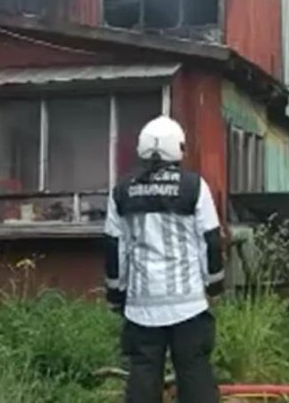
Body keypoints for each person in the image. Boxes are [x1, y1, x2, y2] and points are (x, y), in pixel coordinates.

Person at [104, 116, 225, 403]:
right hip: (189, 303)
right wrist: (214, 287)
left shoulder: (122, 191)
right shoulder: (194, 187)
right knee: (194, 371)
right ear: (178, 147)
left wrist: (115, 294)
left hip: (142, 304)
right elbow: (210, 240)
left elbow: (113, 247)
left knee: (143, 374)